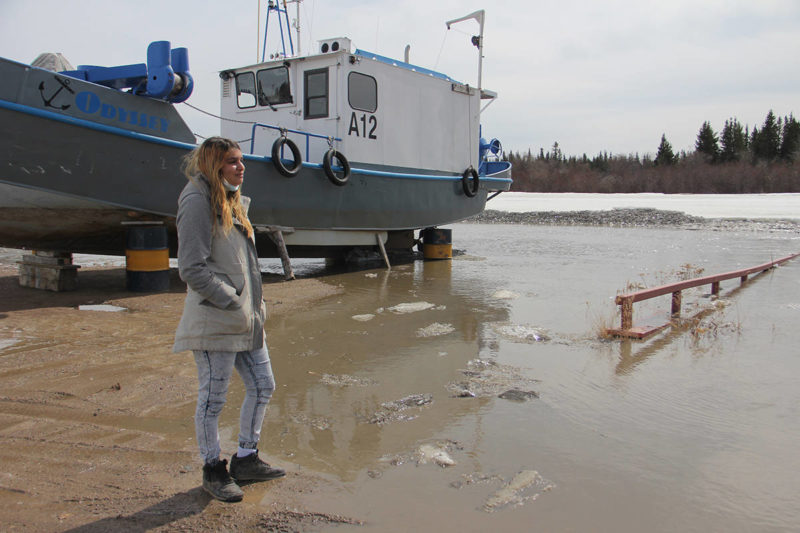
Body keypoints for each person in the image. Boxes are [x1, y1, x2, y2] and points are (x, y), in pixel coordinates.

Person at [173, 137, 284, 502]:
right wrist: (231, 301)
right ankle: (212, 469)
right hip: (216, 321)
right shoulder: (196, 201)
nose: (241, 167)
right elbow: (191, 267)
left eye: (241, 161)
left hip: (246, 320)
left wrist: (254, 308)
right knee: (212, 400)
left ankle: (247, 459)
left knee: (263, 385)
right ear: (213, 164)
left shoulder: (233, 202)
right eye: (232, 161)